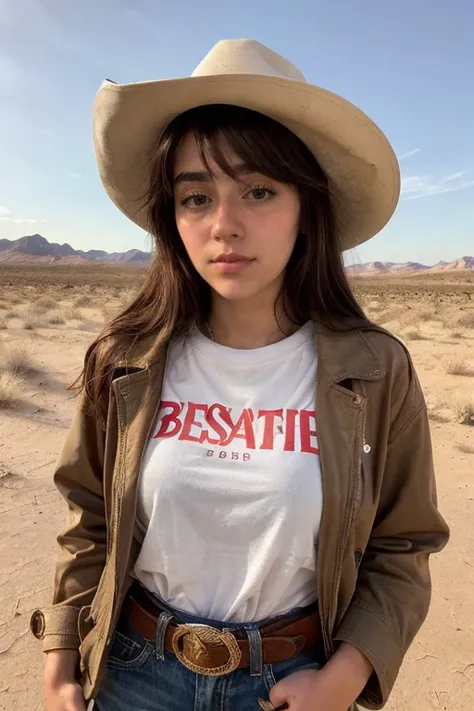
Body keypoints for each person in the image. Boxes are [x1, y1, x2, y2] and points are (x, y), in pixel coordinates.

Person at [30, 39, 449, 711]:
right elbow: (90, 521)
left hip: (291, 685)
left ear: (306, 208)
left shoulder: (374, 370)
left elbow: (404, 544)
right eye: (197, 196)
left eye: (258, 190)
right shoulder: (126, 358)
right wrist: (59, 662)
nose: (225, 224)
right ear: (172, 216)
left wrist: (342, 677)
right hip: (134, 676)